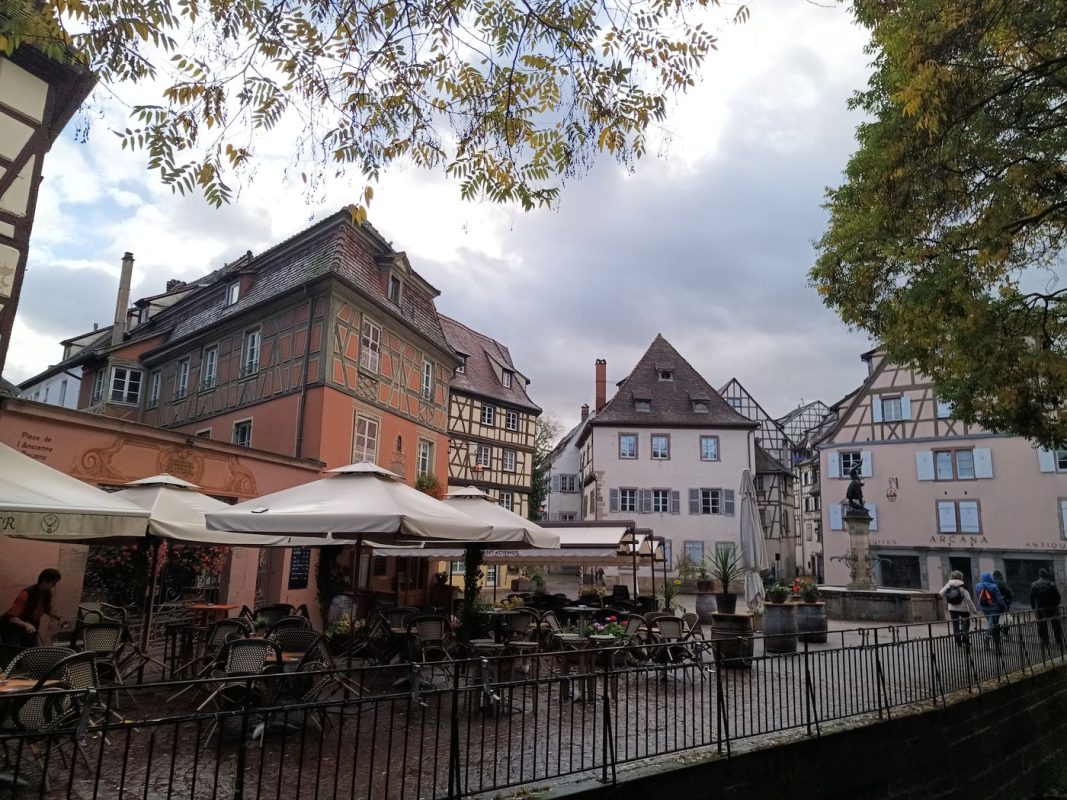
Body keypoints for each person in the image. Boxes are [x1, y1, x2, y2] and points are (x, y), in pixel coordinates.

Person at [0, 568, 62, 647]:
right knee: (12, 652)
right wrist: (27, 625)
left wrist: (59, 617)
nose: (54, 587)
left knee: (31, 650)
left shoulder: (46, 594)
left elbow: (47, 609)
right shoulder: (26, 594)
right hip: (12, 627)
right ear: (44, 581)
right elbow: (12, 618)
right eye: (53, 584)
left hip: (30, 626)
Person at [939, 570, 979, 647]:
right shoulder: (962, 586)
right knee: (966, 623)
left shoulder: (949, 584)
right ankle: (965, 638)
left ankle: (958, 642)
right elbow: (968, 599)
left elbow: (941, 593)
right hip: (963, 608)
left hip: (952, 609)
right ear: (960, 577)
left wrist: (948, 594)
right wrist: (974, 610)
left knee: (955, 624)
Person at [1030, 568, 1064, 652]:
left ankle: (1046, 642)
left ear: (1039, 575)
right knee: (1056, 625)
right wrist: (1055, 606)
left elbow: (1031, 599)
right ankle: (1059, 641)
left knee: (1042, 627)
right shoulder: (1052, 584)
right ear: (1046, 575)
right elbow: (1058, 597)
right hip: (1052, 608)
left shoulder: (1034, 585)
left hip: (1040, 609)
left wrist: (1035, 608)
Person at [974, 571, 1008, 648]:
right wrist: (1005, 609)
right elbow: (999, 600)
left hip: (984, 608)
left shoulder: (977, 586)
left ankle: (992, 639)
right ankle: (988, 638)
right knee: (992, 624)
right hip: (994, 608)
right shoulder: (994, 587)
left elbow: (978, 596)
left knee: (991, 623)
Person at [992, 569, 1014, 638]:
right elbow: (1010, 593)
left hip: (995, 604)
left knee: (995, 620)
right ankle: (1005, 631)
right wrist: (1008, 601)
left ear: (994, 576)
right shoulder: (1003, 582)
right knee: (1007, 618)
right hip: (1004, 604)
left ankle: (996, 634)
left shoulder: (992, 583)